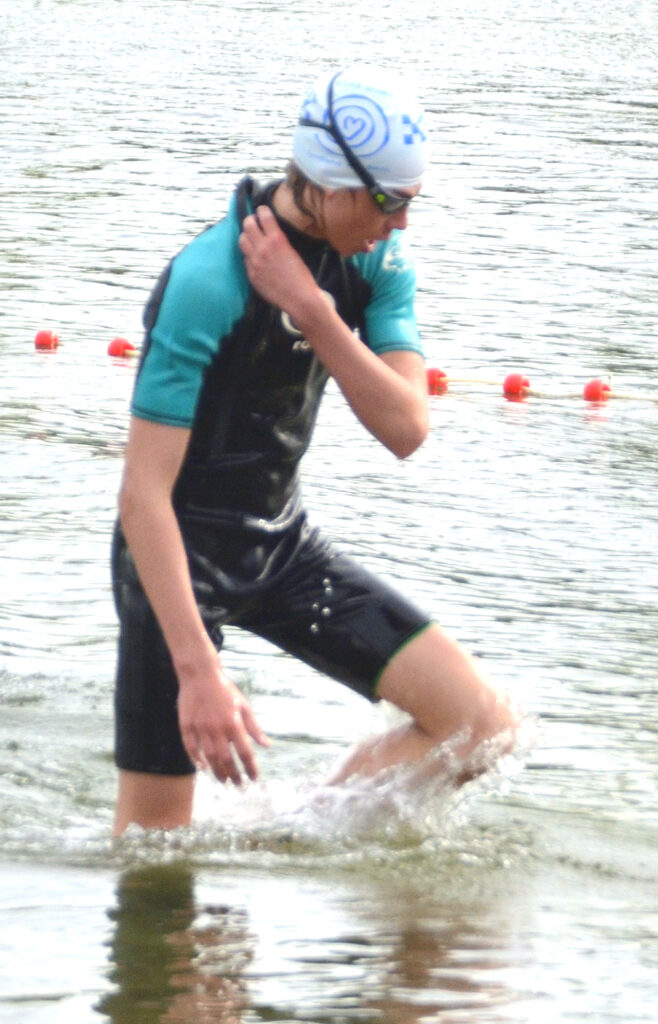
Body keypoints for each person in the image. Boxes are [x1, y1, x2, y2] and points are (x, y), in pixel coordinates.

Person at [111, 64, 518, 836]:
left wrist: (312, 309)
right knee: (152, 852)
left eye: (412, 200)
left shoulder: (376, 264)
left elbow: (407, 428)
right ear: (332, 182)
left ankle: (285, 829)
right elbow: (141, 495)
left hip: (282, 548)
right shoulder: (207, 281)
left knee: (483, 729)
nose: (401, 222)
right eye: (389, 201)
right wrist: (198, 672)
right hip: (174, 563)